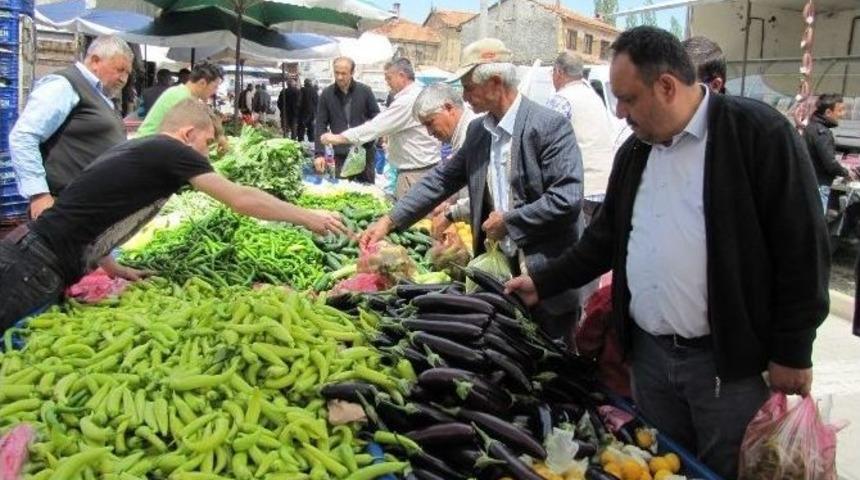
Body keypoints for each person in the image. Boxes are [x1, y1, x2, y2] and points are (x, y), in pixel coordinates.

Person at [505, 27, 829, 478]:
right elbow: (604, 242)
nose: (619, 113)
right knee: (663, 463)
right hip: (651, 359)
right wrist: (542, 282)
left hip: (726, 367)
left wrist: (794, 349)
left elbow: (802, 248)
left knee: (725, 467)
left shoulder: (758, 134)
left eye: (628, 98)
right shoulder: (636, 153)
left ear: (666, 86)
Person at [0, 99, 347, 332]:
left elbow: (93, 213)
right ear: (187, 134)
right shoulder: (171, 149)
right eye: (207, 144)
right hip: (35, 267)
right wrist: (307, 217)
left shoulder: (140, 148)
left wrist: (112, 267)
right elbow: (240, 198)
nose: (208, 154)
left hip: (32, 255)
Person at [361, 38, 584, 344]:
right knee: (507, 357)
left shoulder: (548, 127)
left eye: (468, 87)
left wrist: (510, 220)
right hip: (499, 274)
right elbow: (441, 180)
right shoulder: (480, 133)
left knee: (554, 362)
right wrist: (390, 221)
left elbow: (566, 200)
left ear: (495, 82)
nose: (464, 97)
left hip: (546, 275)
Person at [9, 35, 133, 219]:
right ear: (95, 61)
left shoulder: (101, 94)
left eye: (127, 73)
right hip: (65, 207)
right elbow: (24, 136)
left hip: (92, 207)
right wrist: (39, 194)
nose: (123, 79)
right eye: (120, 70)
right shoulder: (64, 85)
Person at [321, 58, 440, 198]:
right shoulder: (415, 94)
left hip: (415, 173)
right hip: (418, 170)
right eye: (337, 73)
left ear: (401, 76)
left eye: (389, 78)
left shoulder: (407, 101)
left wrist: (339, 138)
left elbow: (376, 126)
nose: (387, 82)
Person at [546, 51, 614, 195]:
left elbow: (546, 142)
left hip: (581, 188)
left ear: (559, 72)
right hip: (605, 185)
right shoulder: (593, 96)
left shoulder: (561, 99)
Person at [412, 82, 478, 230]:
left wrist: (452, 213)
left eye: (430, 123)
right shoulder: (459, 136)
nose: (429, 132)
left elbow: (481, 194)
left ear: (449, 108)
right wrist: (450, 201)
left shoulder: (473, 133)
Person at [313, 57, 380, 183]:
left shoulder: (365, 91)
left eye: (343, 73)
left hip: (365, 154)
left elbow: (376, 118)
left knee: (367, 193)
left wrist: (370, 134)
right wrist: (319, 154)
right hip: (341, 155)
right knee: (343, 192)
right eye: (336, 73)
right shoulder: (327, 94)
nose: (339, 77)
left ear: (352, 73)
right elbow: (320, 124)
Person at [136, 62, 224, 137]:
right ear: (202, 83)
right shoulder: (182, 97)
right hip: (148, 148)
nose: (215, 91)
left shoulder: (182, 92)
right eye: (215, 87)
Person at [803, 93, 850, 215]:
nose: (843, 115)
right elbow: (830, 163)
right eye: (840, 111)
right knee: (817, 222)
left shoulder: (811, 127)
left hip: (810, 181)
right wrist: (846, 173)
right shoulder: (823, 133)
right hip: (819, 184)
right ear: (828, 112)